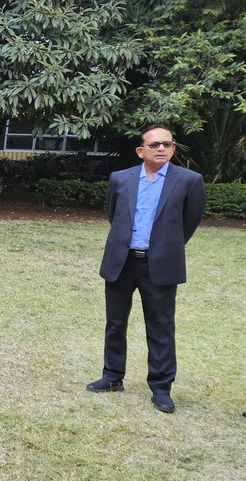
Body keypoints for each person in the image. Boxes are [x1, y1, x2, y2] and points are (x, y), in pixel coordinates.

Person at [87, 124, 206, 414]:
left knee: (161, 327)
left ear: (174, 148)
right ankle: (113, 377)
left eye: (167, 144)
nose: (162, 148)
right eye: (154, 145)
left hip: (160, 265)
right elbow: (114, 215)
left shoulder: (189, 181)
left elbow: (189, 222)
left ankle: (161, 388)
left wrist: (166, 246)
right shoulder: (120, 179)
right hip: (122, 261)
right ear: (141, 151)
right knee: (115, 323)